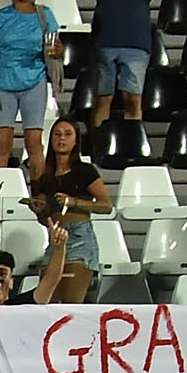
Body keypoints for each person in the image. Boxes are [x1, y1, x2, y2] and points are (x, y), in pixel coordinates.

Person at [0, 0, 60, 176]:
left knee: (34, 144)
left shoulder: (45, 15)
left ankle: (39, 191)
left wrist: (58, 51)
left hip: (34, 82)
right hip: (4, 84)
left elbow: (54, 49)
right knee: (2, 144)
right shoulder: (0, 17)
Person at [79, 0, 166, 125]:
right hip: (105, 42)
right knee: (103, 98)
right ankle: (100, 141)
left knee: (133, 99)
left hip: (137, 43)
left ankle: (131, 139)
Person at [27, 116, 108, 304]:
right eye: (57, 134)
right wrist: (39, 211)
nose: (61, 139)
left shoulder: (85, 171)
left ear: (76, 140)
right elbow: (45, 219)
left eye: (67, 134)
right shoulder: (45, 175)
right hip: (55, 237)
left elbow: (106, 205)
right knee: (47, 302)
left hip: (79, 236)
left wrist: (74, 202)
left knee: (71, 303)